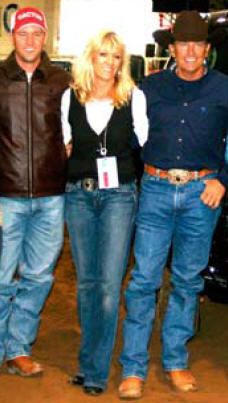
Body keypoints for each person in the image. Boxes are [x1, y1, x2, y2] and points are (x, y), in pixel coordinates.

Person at [118, 10, 228, 400]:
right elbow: (127, 138)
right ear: (173, 48)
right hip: (157, 191)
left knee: (186, 282)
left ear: (207, 49)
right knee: (144, 279)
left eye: (198, 44)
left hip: (202, 196)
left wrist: (223, 179)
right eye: (184, 43)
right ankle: (133, 367)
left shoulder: (224, 88)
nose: (191, 51)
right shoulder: (149, 87)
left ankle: (175, 361)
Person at [62, 30, 148, 395]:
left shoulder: (133, 98)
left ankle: (96, 371)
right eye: (103, 55)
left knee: (110, 287)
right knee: (86, 285)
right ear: (90, 58)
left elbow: (144, 144)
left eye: (116, 57)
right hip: (79, 197)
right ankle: (88, 361)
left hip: (118, 198)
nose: (110, 63)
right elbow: (64, 146)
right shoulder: (70, 98)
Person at [0, 7, 71, 376]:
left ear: (44, 38)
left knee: (39, 277)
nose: (30, 40)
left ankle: (17, 348)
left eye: (36, 34)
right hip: (6, 197)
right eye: (23, 33)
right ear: (13, 36)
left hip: (50, 196)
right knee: (0, 278)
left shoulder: (61, 81)